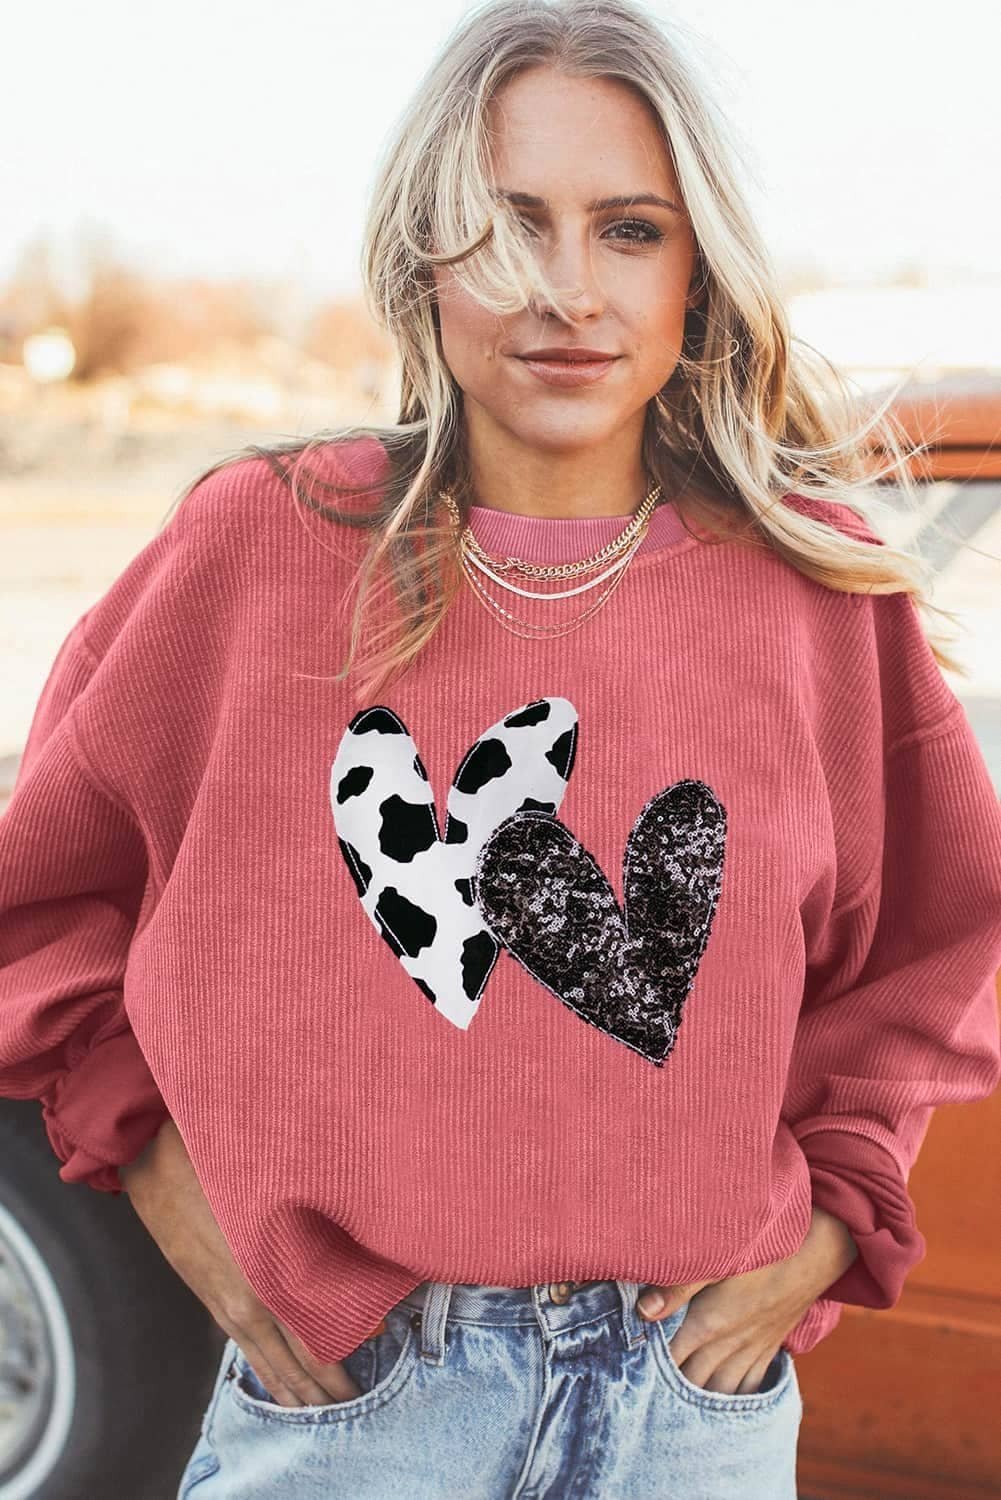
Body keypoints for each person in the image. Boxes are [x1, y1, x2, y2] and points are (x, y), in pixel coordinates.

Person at [2, 2, 1000, 1496]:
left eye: (628, 230)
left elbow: (936, 949)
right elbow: (41, 897)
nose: (565, 289)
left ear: (696, 273)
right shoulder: (260, 549)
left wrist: (826, 1228)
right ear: (423, 255)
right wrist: (163, 1180)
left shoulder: (813, 595)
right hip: (357, 1408)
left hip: (690, 1412)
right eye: (507, 225)